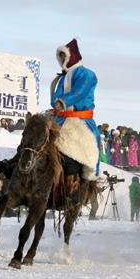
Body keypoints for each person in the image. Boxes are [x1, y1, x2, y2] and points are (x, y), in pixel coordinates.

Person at [50, 38, 101, 180]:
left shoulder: (87, 74)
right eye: (59, 57)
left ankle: (85, 177)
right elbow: (55, 99)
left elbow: (81, 91)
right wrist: (55, 105)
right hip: (59, 118)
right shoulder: (62, 77)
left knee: (83, 149)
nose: (61, 60)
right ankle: (14, 165)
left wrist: (63, 102)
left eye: (63, 56)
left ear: (71, 57)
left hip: (79, 119)